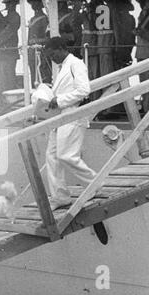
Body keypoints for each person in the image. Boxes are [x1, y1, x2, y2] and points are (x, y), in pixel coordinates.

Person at [44, 37, 96, 211]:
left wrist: (60, 100)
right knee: (51, 157)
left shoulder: (76, 64)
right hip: (60, 116)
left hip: (72, 115)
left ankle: (93, 183)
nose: (52, 58)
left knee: (66, 155)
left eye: (52, 54)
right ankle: (60, 196)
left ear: (61, 48)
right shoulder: (63, 67)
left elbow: (84, 90)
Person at [0, 0, 21, 101]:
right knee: (0, 82)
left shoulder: (15, 17)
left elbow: (9, 31)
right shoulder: (6, 17)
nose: (8, 5)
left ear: (14, 4)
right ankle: (2, 105)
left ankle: (8, 105)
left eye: (10, 3)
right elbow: (1, 27)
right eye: (7, 3)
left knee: (8, 82)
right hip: (1, 53)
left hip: (8, 53)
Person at [27, 0, 52, 87]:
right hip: (32, 52)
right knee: (34, 78)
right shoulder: (32, 19)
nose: (33, 4)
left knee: (43, 77)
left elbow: (47, 36)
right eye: (32, 2)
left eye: (35, 2)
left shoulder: (44, 18)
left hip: (41, 52)